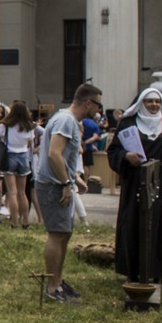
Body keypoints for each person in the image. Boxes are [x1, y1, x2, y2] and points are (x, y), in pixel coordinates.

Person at [108, 88, 162, 282]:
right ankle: (134, 271)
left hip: (161, 181)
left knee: (161, 224)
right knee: (134, 223)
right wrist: (126, 157)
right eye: (149, 102)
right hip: (136, 181)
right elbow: (113, 151)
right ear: (141, 104)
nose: (154, 105)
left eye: (157, 101)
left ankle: (161, 271)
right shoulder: (128, 123)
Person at [36, 83, 104, 303]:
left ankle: (58, 281)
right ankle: (52, 288)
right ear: (88, 103)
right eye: (98, 105)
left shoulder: (67, 119)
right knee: (57, 234)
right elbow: (54, 154)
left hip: (60, 183)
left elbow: (63, 156)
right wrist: (66, 183)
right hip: (53, 186)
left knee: (64, 233)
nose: (99, 110)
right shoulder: (66, 120)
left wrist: (75, 178)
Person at [0, 101, 37, 229]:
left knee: (12, 193)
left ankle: (14, 222)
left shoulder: (6, 125)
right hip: (23, 157)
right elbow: (29, 142)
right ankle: (26, 222)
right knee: (22, 193)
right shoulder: (29, 126)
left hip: (10, 155)